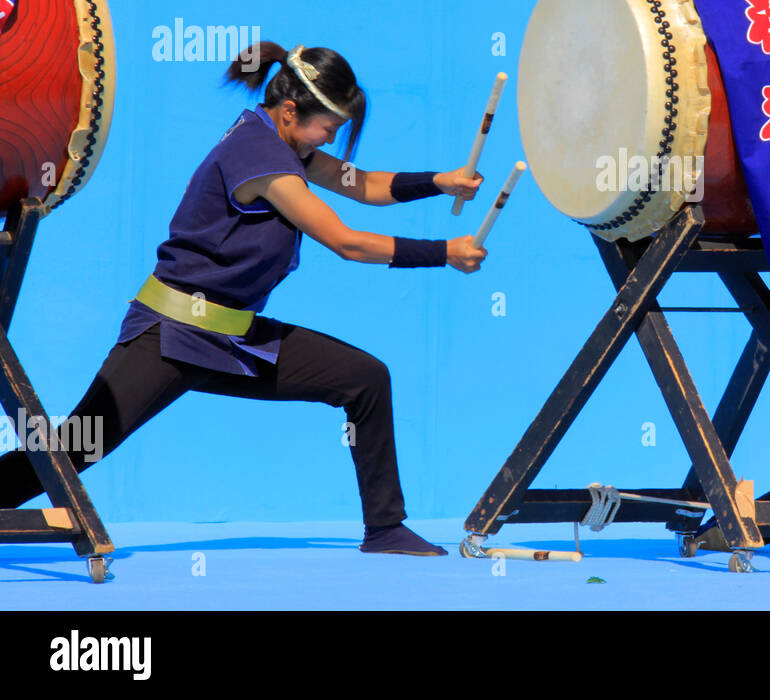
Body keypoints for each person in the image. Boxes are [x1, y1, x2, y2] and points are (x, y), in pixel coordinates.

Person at [0, 41, 486, 556]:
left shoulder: (281, 141)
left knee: (364, 378)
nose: (332, 139)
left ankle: (386, 528)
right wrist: (444, 252)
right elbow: (347, 242)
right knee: (75, 448)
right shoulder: (261, 157)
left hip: (236, 340)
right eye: (330, 126)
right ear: (291, 111)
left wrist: (439, 181)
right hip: (173, 335)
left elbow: (361, 184)